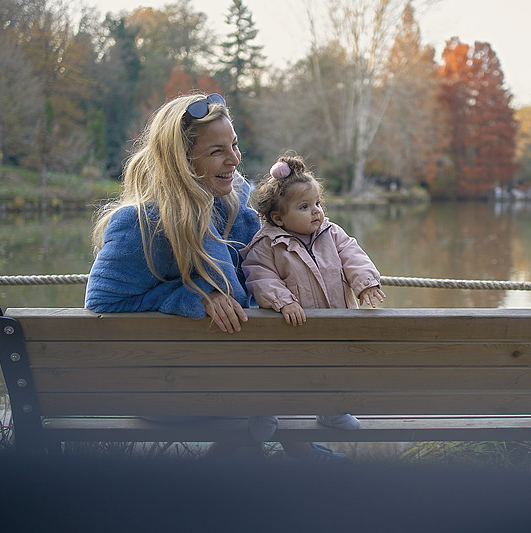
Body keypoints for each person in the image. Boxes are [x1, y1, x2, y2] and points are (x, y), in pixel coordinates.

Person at [84, 92, 346, 463]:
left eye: (234, 145)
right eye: (217, 151)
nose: (234, 160)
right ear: (182, 161)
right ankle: (300, 457)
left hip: (230, 378)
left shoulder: (238, 208)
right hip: (168, 393)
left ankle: (253, 467)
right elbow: (101, 302)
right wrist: (192, 296)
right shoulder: (142, 224)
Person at [240, 153, 386, 431]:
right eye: (304, 206)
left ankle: (332, 411)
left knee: (333, 368)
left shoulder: (331, 233)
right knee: (278, 371)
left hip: (335, 322)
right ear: (278, 218)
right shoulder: (267, 245)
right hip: (291, 327)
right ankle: (264, 412)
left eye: (317, 203)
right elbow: (260, 276)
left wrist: (366, 281)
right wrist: (283, 301)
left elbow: (353, 255)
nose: (317, 211)